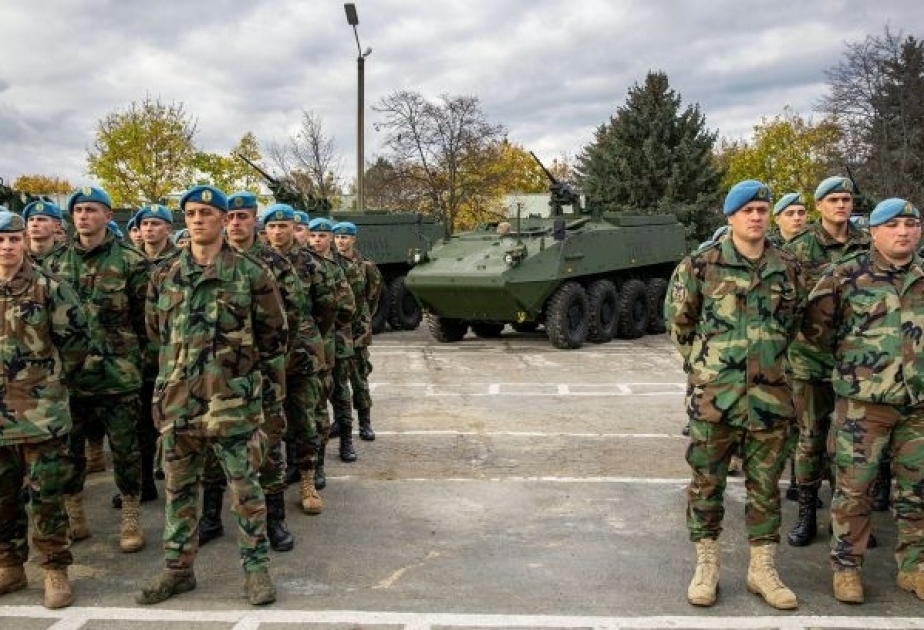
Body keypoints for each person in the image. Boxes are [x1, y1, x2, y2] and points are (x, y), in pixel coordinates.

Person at [137, 185, 287, 606]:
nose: (198, 219)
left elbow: (274, 336)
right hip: (178, 403)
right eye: (190, 213)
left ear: (224, 219)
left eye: (206, 212)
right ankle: (178, 570)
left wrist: (253, 389)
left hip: (233, 403)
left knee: (245, 490)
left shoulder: (253, 274)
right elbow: (156, 333)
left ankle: (256, 570)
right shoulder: (164, 275)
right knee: (179, 492)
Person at [666, 179, 804, 610]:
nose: (758, 217)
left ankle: (762, 569)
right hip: (715, 400)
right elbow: (680, 324)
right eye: (749, 211)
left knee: (765, 487)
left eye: (763, 210)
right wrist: (707, 368)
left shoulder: (789, 267)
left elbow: (795, 324)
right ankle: (707, 566)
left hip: (770, 399)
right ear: (731, 217)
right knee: (707, 484)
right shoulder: (701, 265)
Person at [798, 198, 924, 603]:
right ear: (873, 232)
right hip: (863, 407)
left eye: (911, 223)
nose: (903, 231)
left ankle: (914, 567)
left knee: (916, 489)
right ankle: (847, 568)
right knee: (854, 490)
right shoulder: (846, 276)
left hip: (918, 405)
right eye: (893, 225)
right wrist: (848, 369)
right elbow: (813, 331)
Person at [194, 194, 303, 551]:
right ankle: (211, 516)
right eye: (233, 217)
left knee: (268, 446)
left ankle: (275, 520)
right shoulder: (206, 258)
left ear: (253, 220)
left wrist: (267, 365)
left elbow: (289, 317)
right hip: (211, 378)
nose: (237, 223)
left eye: (243, 217)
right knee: (211, 444)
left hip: (261, 375)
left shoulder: (272, 261)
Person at [45, 185, 149, 553]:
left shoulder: (132, 261)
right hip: (69, 379)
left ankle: (131, 514)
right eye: (78, 210)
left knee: (125, 449)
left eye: (92, 209)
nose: (84, 216)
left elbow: (145, 321)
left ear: (108, 216)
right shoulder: (54, 263)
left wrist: (139, 364)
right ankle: (75, 512)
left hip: (118, 376)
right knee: (68, 451)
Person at [0, 210, 90, 609]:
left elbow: (75, 343)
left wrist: (47, 383)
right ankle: (9, 564)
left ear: (24, 242)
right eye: (0, 240)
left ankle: (54, 567)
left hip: (42, 413)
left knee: (47, 494)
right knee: (2, 496)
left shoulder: (50, 287)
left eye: (13, 239)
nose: (7, 247)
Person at [784, 176, 871, 547]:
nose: (841, 205)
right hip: (810, 361)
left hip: (858, 361)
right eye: (833, 199)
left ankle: (846, 521)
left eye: (846, 199)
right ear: (819, 205)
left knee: (851, 445)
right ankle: (807, 514)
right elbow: (787, 304)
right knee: (811, 440)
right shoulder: (799, 249)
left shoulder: (870, 245)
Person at [260, 202, 329, 515]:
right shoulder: (253, 263)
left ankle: (307, 480)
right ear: (265, 231)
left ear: (294, 227)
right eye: (272, 227)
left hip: (302, 354)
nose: (277, 231)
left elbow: (330, 308)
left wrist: (308, 335)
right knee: (269, 424)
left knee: (304, 419)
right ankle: (268, 483)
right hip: (266, 357)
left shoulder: (312, 265)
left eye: (283, 225)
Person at [111, 203, 178, 510]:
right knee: (140, 424)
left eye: (155, 223)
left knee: (173, 422)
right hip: (134, 356)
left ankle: (179, 482)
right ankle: (144, 482)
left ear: (168, 228)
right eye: (144, 224)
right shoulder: (129, 261)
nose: (149, 229)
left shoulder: (180, 261)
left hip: (171, 354)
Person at [307, 217, 356, 484]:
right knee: (313, 402)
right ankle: (310, 461)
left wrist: (327, 325)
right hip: (312, 345)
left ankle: (346, 440)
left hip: (336, 340)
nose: (316, 240)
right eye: (312, 235)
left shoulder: (337, 267)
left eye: (321, 236)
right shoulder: (301, 266)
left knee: (339, 391)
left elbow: (352, 305)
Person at [333, 221, 384, 441]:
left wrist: (363, 319)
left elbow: (373, 296)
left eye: (345, 237)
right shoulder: (330, 264)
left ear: (353, 239)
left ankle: (365, 423)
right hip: (337, 329)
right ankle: (340, 421)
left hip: (358, 330)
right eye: (337, 237)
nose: (341, 241)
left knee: (359, 378)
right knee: (337, 381)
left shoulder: (367, 266)